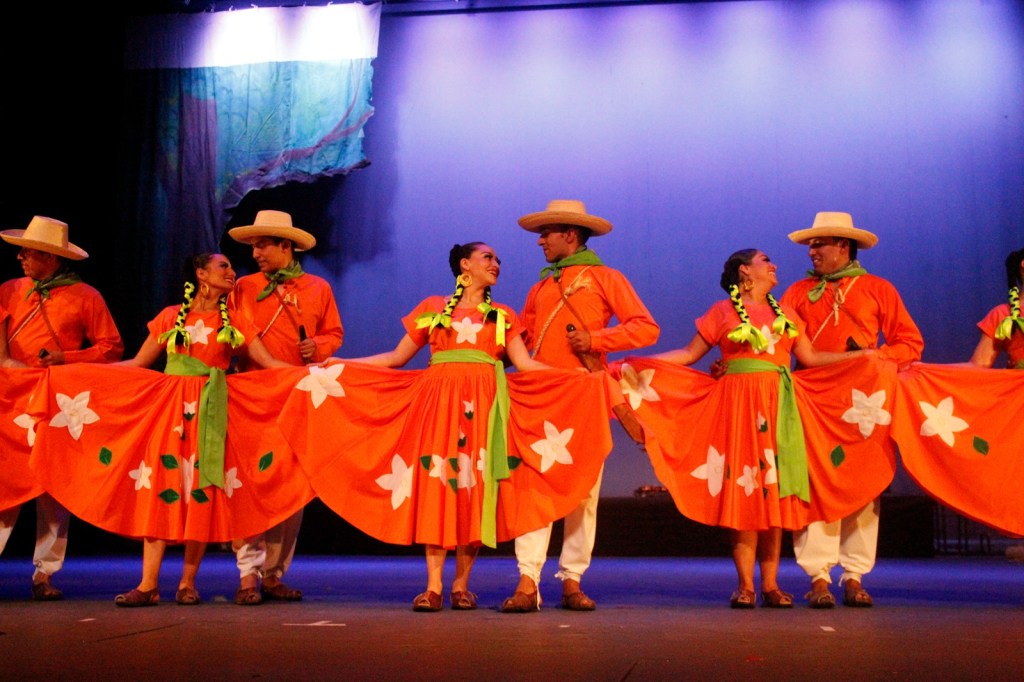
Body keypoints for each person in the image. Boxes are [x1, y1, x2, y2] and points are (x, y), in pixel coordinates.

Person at [276, 242, 614, 611]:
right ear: (465, 265)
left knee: (472, 489)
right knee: (438, 487)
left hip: (484, 408)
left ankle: (461, 586)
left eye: (498, 259)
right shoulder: (433, 308)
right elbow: (396, 356)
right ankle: (433, 585)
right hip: (439, 406)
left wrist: (577, 378)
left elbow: (526, 365)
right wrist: (344, 363)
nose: (496, 263)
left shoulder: (502, 315)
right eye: (488, 257)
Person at [636, 249, 868, 607]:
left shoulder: (786, 313)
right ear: (746, 270)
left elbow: (811, 358)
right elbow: (687, 354)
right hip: (739, 406)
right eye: (765, 260)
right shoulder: (722, 312)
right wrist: (639, 363)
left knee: (773, 493)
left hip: (779, 407)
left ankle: (772, 586)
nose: (773, 265)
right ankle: (745, 584)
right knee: (746, 491)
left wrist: (860, 356)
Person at [500, 199, 659, 613]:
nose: (540, 242)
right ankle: (527, 579)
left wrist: (596, 340)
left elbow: (645, 327)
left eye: (546, 233)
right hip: (543, 394)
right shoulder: (539, 287)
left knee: (584, 491)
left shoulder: (605, 277)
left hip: (587, 395)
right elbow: (521, 337)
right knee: (535, 484)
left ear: (569, 235)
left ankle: (572, 579)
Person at [782, 211, 923, 608]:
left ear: (843, 246)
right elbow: (786, 346)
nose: (811, 251)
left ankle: (855, 574)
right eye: (811, 244)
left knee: (864, 481)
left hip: (864, 399)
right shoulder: (796, 293)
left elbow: (909, 343)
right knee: (819, 481)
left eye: (818, 243)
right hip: (814, 397)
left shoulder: (878, 288)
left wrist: (876, 357)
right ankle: (818, 576)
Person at [0, 215, 123, 601]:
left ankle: (45, 573)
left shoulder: (86, 296)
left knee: (53, 487)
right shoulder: (8, 290)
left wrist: (66, 358)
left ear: (52, 258)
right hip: (12, 395)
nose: (21, 257)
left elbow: (111, 348)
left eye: (30, 253)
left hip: (58, 400)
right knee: (6, 482)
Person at [227, 209, 343, 605]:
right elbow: (231, 331)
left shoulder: (317, 287)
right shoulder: (242, 286)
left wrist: (319, 347)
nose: (256, 252)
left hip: (295, 395)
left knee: (291, 485)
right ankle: (247, 573)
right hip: (249, 393)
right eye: (254, 245)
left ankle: (274, 574)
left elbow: (334, 332)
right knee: (248, 483)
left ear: (285, 246)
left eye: (263, 245)